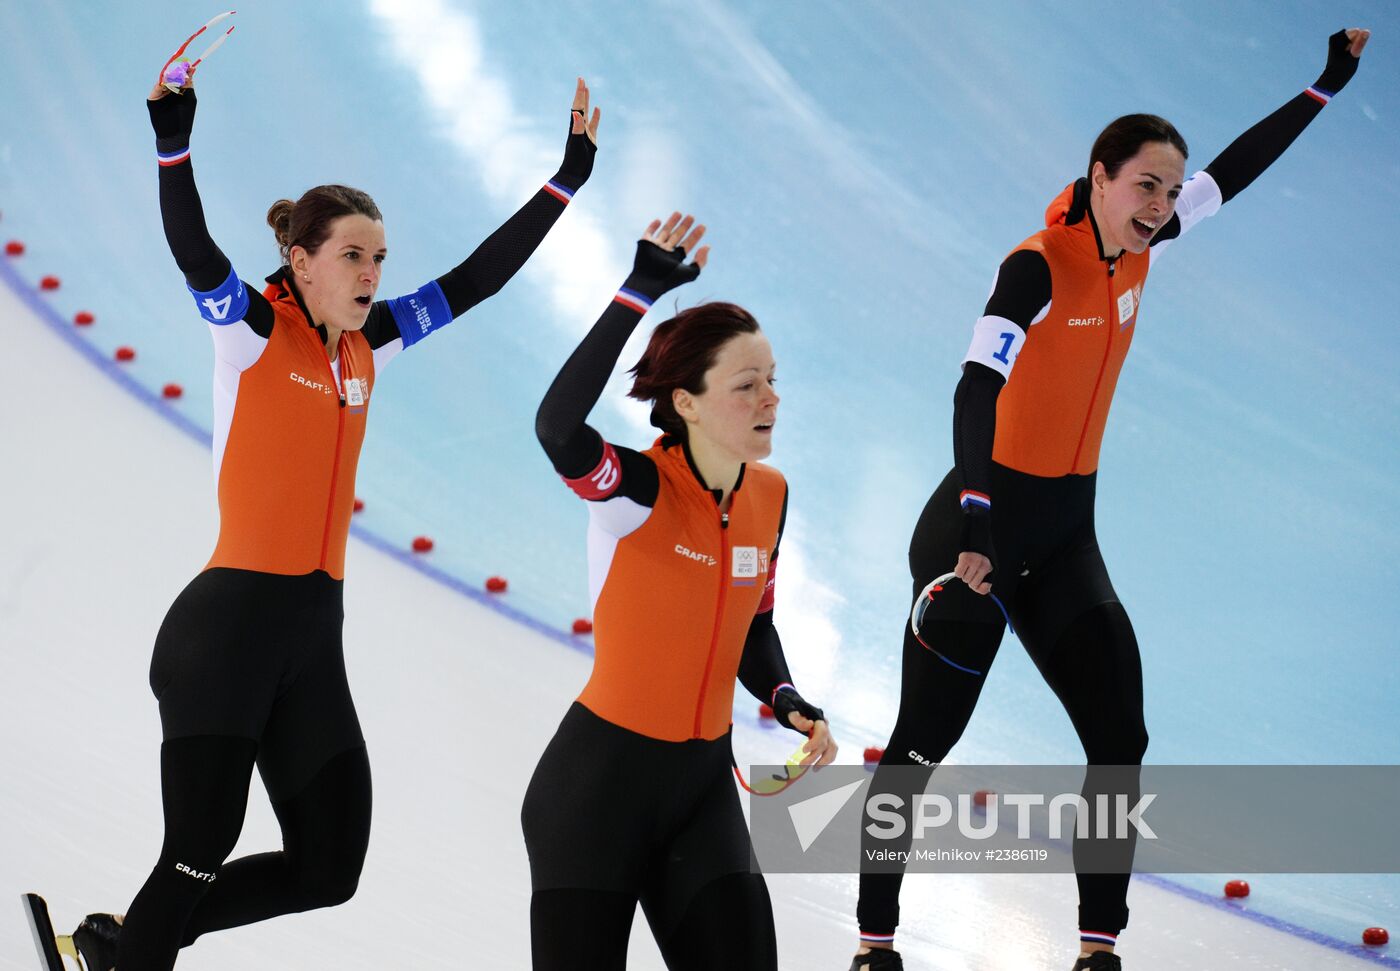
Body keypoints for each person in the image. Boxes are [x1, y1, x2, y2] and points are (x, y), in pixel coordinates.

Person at [63, 53, 602, 971]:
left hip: (310, 641)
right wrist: (172, 144)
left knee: (328, 863)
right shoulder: (249, 330)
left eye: (379, 258)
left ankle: (130, 943)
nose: (371, 273)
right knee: (197, 849)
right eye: (353, 255)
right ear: (300, 260)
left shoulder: (368, 346)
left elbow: (475, 279)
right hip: (224, 635)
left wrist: (566, 180)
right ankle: (137, 948)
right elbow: (194, 252)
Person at [850, 27, 1371, 971]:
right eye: (1144, 187)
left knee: (1120, 735)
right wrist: (976, 517)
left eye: (1169, 192)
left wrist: (1325, 85)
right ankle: (872, 940)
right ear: (1099, 178)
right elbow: (974, 388)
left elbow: (1233, 173)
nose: (1162, 206)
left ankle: (1099, 948)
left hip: (1063, 534)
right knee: (922, 743)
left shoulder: (1145, 244)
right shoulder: (1037, 265)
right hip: (978, 530)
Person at [528, 213, 837, 970]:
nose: (770, 399)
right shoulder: (634, 491)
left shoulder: (770, 495)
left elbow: (752, 626)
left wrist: (788, 699)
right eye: (747, 385)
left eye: (772, 380)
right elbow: (558, 427)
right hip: (595, 796)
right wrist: (637, 291)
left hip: (702, 796)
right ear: (688, 402)